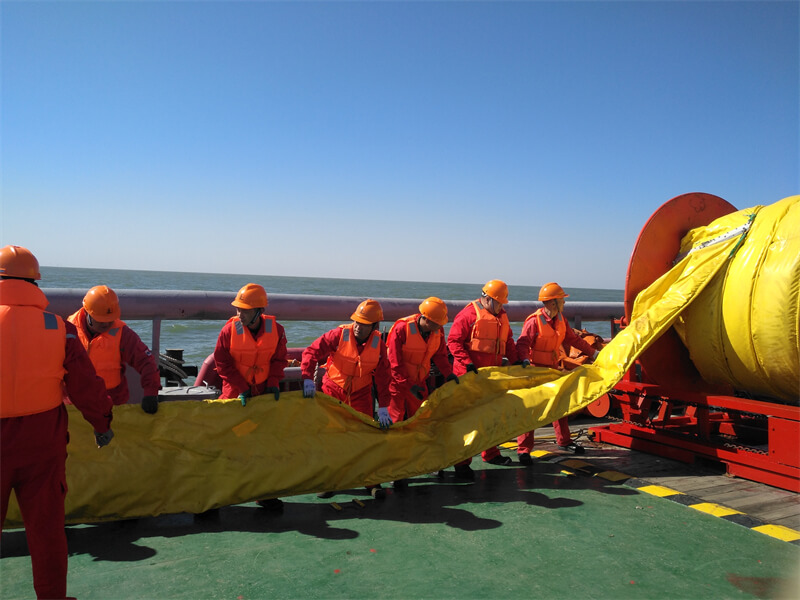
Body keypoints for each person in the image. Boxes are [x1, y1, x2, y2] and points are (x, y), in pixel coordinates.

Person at [0, 245, 114, 600]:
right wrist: (102, 423)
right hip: (42, 440)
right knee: (47, 531)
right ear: (36, 282)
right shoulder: (59, 327)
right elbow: (85, 384)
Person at [300, 299, 392, 499]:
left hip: (361, 394)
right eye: (356, 322)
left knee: (365, 438)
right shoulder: (338, 334)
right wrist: (307, 378)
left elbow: (384, 377)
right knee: (330, 438)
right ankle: (329, 481)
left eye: (364, 323)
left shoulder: (379, 345)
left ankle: (371, 482)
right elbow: (311, 352)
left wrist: (383, 406)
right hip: (333, 390)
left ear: (374, 326)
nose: (358, 326)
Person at [213, 283, 288, 511]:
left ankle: (262, 493)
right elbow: (221, 362)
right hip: (236, 396)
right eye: (238, 309)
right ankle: (216, 497)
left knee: (261, 447)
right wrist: (240, 386)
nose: (239, 314)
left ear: (259, 311)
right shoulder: (229, 331)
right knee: (227, 446)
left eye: (244, 310)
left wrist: (273, 382)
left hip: (262, 396)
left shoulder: (277, 330)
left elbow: (279, 359)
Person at [515, 282, 600, 462]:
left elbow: (573, 339)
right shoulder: (534, 321)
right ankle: (523, 449)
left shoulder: (561, 320)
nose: (564, 304)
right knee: (531, 409)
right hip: (535, 371)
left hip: (553, 369)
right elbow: (522, 344)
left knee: (559, 405)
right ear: (553, 303)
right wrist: (524, 361)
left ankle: (564, 440)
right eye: (562, 300)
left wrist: (593, 353)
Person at [446, 279, 520, 478]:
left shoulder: (501, 316)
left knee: (491, 416)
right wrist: (467, 362)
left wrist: (518, 361)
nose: (502, 306)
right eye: (499, 302)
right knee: (467, 421)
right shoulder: (468, 315)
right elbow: (453, 341)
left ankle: (491, 453)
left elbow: (509, 342)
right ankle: (462, 462)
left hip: (491, 377)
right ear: (487, 299)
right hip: (468, 376)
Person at [68, 285, 162, 413]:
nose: (106, 324)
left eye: (110, 319)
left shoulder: (123, 334)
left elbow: (146, 361)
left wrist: (151, 393)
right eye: (101, 320)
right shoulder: (68, 330)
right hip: (74, 405)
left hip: (111, 404)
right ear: (87, 313)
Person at [386, 297, 457, 425]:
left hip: (419, 381)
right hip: (398, 383)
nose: (441, 326)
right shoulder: (402, 329)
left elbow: (440, 355)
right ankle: (392, 444)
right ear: (427, 320)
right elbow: (394, 363)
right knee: (395, 419)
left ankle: (414, 444)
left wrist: (449, 374)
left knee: (420, 420)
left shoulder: (437, 330)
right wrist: (409, 385)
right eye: (438, 323)